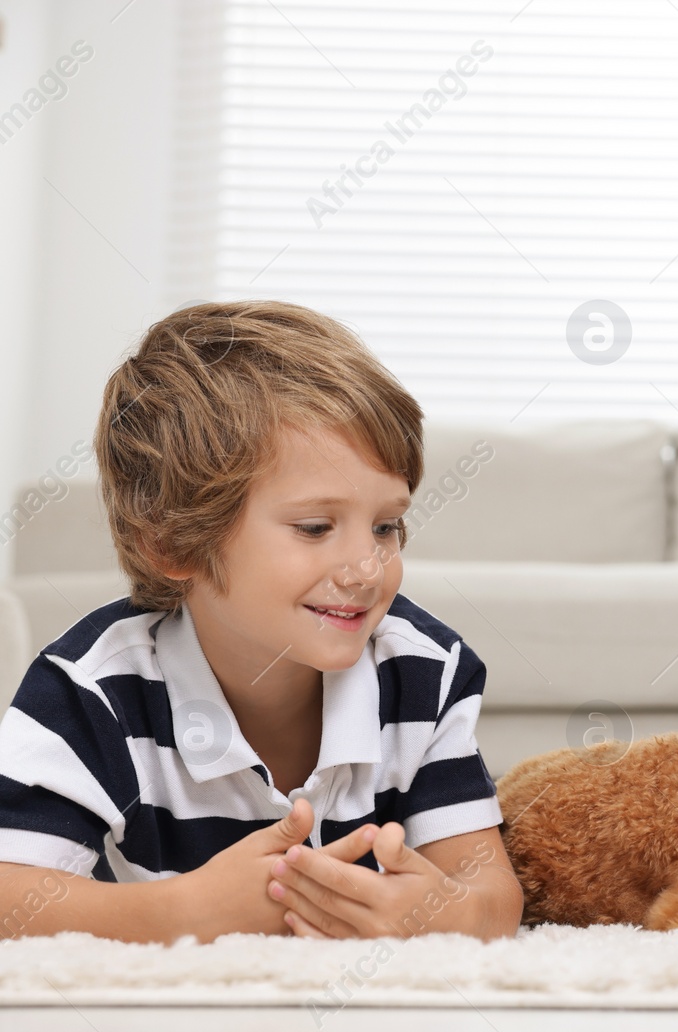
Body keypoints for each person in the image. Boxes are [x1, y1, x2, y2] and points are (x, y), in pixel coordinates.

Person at [0, 301, 523, 943]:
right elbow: (10, 899)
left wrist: (446, 914)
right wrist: (181, 913)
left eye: (386, 526)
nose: (367, 567)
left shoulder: (424, 672)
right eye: (314, 527)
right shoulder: (88, 691)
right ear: (174, 543)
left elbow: (493, 893)